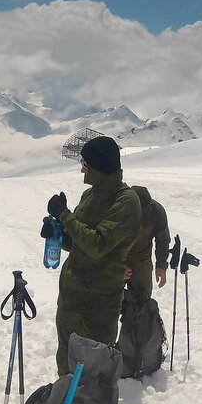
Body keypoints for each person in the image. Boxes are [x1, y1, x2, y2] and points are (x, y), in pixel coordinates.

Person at [46, 136, 143, 376]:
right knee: (66, 368)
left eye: (85, 165)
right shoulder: (90, 195)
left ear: (99, 167)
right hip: (71, 299)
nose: (81, 170)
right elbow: (79, 244)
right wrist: (58, 229)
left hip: (97, 305)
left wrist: (67, 216)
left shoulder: (126, 201)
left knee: (92, 373)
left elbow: (98, 245)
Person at [123, 186, 170, 301]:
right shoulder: (118, 209)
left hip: (141, 261)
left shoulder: (156, 211)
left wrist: (161, 265)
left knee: (142, 301)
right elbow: (106, 242)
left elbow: (162, 240)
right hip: (117, 257)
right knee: (109, 299)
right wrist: (116, 267)